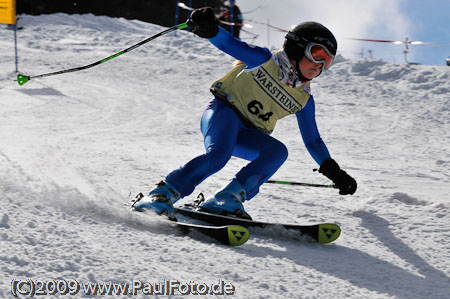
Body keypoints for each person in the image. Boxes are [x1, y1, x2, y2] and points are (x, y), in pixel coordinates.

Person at [133, 7, 357, 219]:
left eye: (327, 61)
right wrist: (210, 29)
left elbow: (313, 140)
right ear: (298, 47)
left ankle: (226, 198)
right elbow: (229, 44)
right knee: (218, 156)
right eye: (317, 54)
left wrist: (334, 172)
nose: (320, 65)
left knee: (277, 152)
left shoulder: (304, 98)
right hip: (224, 114)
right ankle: (161, 194)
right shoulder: (264, 61)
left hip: (249, 133)